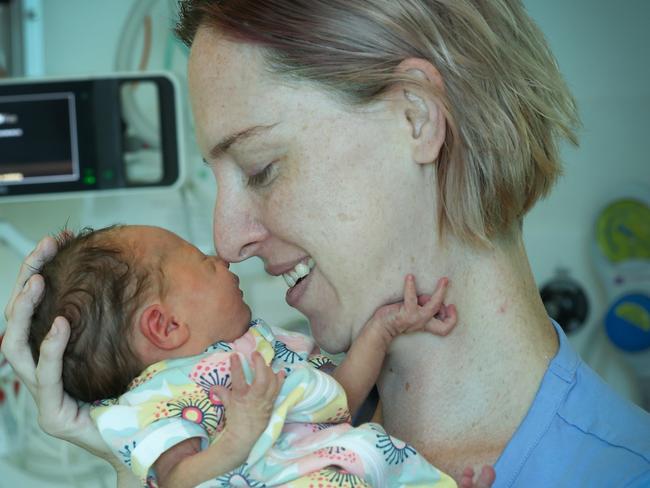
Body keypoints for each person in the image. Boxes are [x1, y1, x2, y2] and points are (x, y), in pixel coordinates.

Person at [3, 0, 650, 486]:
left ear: (416, 117)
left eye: (260, 167)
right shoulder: (274, 385)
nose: (225, 240)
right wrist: (124, 446)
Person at [27, 224, 489, 488]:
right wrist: (238, 437)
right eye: (204, 262)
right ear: (165, 326)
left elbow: (335, 401)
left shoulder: (261, 350)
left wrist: (381, 329)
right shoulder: (151, 403)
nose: (223, 259)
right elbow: (176, 481)